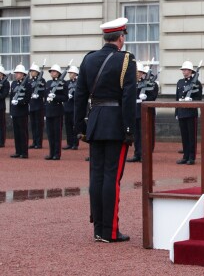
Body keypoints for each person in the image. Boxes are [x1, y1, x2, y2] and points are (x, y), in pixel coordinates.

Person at [74, 17, 136, 243]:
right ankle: (109, 231)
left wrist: (79, 127)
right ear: (120, 38)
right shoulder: (126, 60)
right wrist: (130, 128)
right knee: (112, 178)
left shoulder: (89, 59)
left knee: (96, 176)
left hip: (95, 122)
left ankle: (99, 229)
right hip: (116, 123)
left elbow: (79, 96)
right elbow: (129, 97)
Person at [128, 63, 159, 163]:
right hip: (135, 112)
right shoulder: (131, 84)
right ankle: (137, 154)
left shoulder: (151, 84)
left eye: (138, 72)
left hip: (145, 113)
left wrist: (146, 98)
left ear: (142, 73)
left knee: (144, 134)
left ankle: (144, 154)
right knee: (136, 135)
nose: (137, 74)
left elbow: (153, 97)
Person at [175, 61, 202, 165]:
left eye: (185, 70)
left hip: (191, 112)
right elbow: (177, 97)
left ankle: (191, 156)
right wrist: (176, 112)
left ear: (190, 71)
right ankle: (185, 156)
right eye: (183, 70)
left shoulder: (196, 83)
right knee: (184, 136)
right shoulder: (180, 82)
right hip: (181, 111)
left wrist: (191, 99)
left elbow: (199, 97)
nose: (184, 72)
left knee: (191, 136)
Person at [44, 64, 68, 160]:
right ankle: (51, 153)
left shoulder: (63, 83)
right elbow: (45, 98)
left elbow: (65, 97)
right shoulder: (48, 83)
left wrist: (56, 97)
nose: (52, 73)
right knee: (50, 134)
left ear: (58, 73)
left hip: (57, 111)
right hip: (49, 110)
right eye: (51, 71)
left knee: (57, 134)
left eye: (54, 71)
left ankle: (57, 154)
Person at [9, 64, 31, 158]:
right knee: (16, 133)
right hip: (15, 112)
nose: (16, 74)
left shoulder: (27, 84)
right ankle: (18, 151)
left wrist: (19, 102)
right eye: (16, 73)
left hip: (22, 112)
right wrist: (11, 111)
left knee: (23, 132)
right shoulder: (13, 84)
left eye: (18, 73)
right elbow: (11, 98)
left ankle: (24, 152)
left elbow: (27, 98)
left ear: (23, 74)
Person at [28, 63, 45, 149]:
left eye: (33, 71)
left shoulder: (42, 80)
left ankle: (39, 143)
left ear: (37, 72)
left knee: (39, 125)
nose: (32, 73)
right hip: (32, 105)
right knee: (33, 125)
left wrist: (39, 95)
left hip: (39, 106)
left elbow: (44, 92)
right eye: (31, 71)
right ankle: (34, 141)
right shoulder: (29, 81)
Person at [63, 66, 80, 150]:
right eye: (69, 73)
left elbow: (80, 95)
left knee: (75, 126)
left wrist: (73, 96)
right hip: (67, 107)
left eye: (71, 73)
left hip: (74, 108)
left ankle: (75, 143)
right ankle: (69, 143)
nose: (70, 74)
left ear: (75, 74)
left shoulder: (79, 83)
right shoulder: (66, 83)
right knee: (68, 126)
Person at [0, 65, 9, 148]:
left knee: (1, 124)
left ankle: (1, 141)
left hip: (1, 107)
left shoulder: (5, 83)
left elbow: (3, 95)